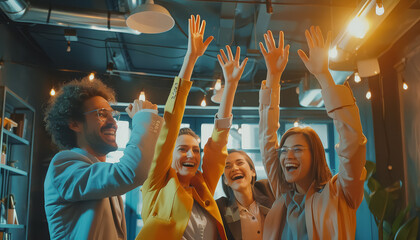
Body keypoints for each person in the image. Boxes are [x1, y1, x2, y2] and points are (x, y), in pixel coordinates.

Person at [136, 15, 248, 240]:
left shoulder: (202, 185)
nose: (191, 154)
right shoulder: (156, 183)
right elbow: (171, 120)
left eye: (196, 150)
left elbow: (218, 143)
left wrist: (231, 86)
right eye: (183, 149)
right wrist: (190, 58)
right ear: (170, 154)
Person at [258, 27, 367, 239]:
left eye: (297, 149)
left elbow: (352, 142)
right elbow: (266, 137)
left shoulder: (341, 193)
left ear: (315, 154)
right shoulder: (284, 197)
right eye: (285, 150)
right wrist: (272, 76)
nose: (288, 156)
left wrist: (323, 75)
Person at [44, 77, 163, 240]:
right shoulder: (63, 164)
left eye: (113, 115)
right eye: (101, 114)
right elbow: (131, 172)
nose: (113, 122)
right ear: (74, 124)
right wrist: (144, 117)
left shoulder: (101, 173)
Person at [217, 150, 275, 240]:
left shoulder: (268, 191)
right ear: (225, 181)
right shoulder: (221, 209)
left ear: (253, 172)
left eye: (239, 163)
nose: (234, 168)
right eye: (227, 166)